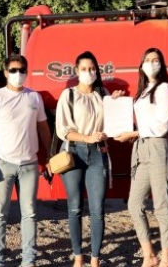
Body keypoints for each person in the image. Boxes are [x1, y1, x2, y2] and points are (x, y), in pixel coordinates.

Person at [0, 54, 53, 267]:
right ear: (5, 72)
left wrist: (49, 156)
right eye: (13, 70)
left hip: (29, 165)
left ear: (27, 72)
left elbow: (43, 128)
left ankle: (28, 260)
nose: (17, 74)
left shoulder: (34, 98)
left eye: (21, 70)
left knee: (29, 213)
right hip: (2, 163)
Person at [55, 51, 118, 267]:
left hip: (98, 154)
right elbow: (63, 130)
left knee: (97, 209)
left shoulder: (103, 93)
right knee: (74, 207)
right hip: (74, 153)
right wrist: (86, 137)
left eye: (92, 68)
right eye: (84, 69)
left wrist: (116, 105)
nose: (89, 72)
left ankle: (94, 259)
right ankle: (78, 258)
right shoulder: (69, 95)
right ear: (76, 71)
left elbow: (112, 125)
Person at [116, 48, 168, 267]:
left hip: (158, 148)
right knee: (134, 204)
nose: (152, 63)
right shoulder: (143, 91)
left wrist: (133, 134)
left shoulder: (164, 88)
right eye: (148, 60)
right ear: (141, 65)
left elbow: (161, 125)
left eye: (156, 60)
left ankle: (166, 258)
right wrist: (118, 102)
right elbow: (138, 121)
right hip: (142, 148)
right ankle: (149, 254)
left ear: (162, 64)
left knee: (162, 205)